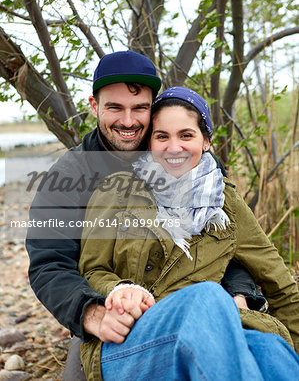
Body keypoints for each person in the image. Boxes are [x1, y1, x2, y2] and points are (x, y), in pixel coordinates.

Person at [25, 53, 263, 379]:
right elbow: (48, 264)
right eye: (114, 108)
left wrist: (239, 292)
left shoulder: (192, 163)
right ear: (94, 106)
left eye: (140, 108)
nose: (128, 121)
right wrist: (92, 314)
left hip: (197, 305)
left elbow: (228, 241)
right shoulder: (67, 177)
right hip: (108, 311)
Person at [78, 87, 299, 380]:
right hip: (132, 338)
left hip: (215, 329)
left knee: (270, 347)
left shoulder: (226, 202)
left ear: (205, 141)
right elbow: (92, 269)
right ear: (150, 142)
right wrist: (120, 291)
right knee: (206, 296)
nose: (173, 148)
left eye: (186, 135)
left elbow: (282, 286)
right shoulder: (117, 189)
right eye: (162, 136)